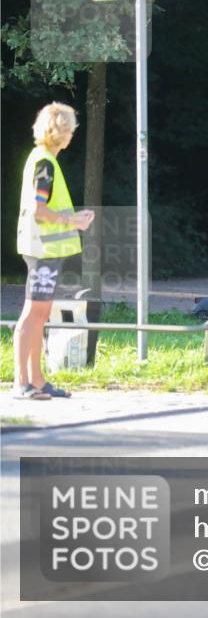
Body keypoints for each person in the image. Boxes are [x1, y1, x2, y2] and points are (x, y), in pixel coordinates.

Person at [13, 103, 94, 400]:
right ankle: (22, 382)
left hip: (47, 250)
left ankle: (37, 381)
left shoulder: (45, 160)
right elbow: (39, 210)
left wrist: (73, 220)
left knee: (41, 314)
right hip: (41, 250)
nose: (72, 134)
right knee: (33, 313)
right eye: (70, 128)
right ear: (60, 131)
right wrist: (72, 220)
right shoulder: (44, 163)